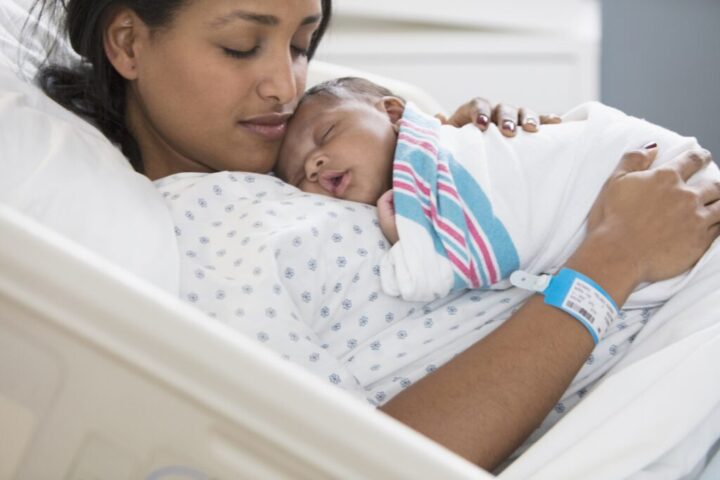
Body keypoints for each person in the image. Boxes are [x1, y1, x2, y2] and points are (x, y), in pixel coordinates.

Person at [30, 0, 720, 470]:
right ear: (127, 43)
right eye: (241, 46)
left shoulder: (306, 145)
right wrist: (610, 263)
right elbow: (358, 459)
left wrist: (470, 159)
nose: (283, 84)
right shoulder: (203, 233)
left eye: (302, 45)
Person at [274, 76, 718, 304]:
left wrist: (416, 248)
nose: (312, 164)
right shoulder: (395, 205)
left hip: (638, 166)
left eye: (327, 133)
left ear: (393, 112)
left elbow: (431, 272)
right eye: (297, 177)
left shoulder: (439, 145)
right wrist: (411, 233)